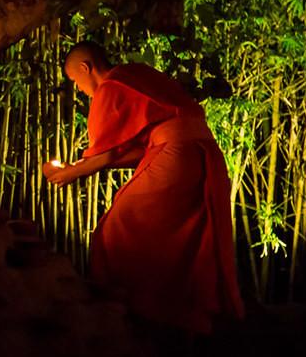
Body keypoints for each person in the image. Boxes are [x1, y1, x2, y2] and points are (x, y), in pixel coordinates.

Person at [42, 41, 243, 334]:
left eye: (75, 81)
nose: (80, 89)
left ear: (86, 68)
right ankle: (178, 313)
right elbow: (139, 152)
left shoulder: (111, 88)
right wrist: (79, 168)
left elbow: (108, 154)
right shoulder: (135, 74)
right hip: (199, 152)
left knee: (119, 226)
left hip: (178, 153)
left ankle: (137, 310)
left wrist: (70, 174)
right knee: (184, 236)